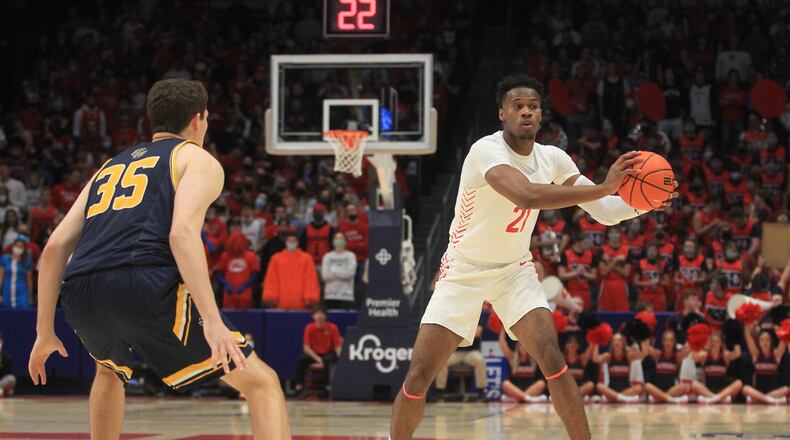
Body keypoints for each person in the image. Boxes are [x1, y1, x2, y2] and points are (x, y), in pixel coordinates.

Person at [390, 74, 670, 440]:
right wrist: (603, 185)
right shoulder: (485, 151)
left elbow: (604, 211)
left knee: (552, 356)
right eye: (518, 106)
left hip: (513, 269)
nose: (526, 112)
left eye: (533, 107)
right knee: (420, 373)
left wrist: (648, 203)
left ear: (541, 116)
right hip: (464, 268)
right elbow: (525, 196)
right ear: (502, 114)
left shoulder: (552, 158)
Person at [27, 79, 291, 439]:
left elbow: (55, 246)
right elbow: (181, 234)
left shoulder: (109, 167)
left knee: (108, 371)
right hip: (145, 283)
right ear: (198, 120)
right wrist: (212, 321)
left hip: (81, 289)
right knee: (263, 384)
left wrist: (44, 331)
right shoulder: (196, 158)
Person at [433, 314, 488, 402]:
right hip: (455, 351)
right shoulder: (456, 313)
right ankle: (440, 392)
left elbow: (477, 332)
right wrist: (468, 331)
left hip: (471, 351)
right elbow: (448, 332)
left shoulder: (478, 313)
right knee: (442, 360)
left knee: (480, 360)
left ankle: (481, 392)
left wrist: (459, 331)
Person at [262, 231, 320, 310]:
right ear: (285, 243)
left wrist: (310, 297)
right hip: (279, 304)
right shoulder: (276, 258)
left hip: (302, 304)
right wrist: (271, 296)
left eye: (294, 241)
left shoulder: (307, 258)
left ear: (298, 242)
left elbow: (311, 279)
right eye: (289, 241)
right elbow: (271, 279)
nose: (291, 243)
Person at [295, 305, 342, 397]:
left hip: (328, 354)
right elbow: (306, 348)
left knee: (330, 360)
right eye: (317, 313)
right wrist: (318, 359)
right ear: (313, 316)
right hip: (314, 354)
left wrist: (341, 358)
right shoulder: (309, 328)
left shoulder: (333, 328)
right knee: (301, 360)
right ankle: (299, 386)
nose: (319, 316)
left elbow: (337, 346)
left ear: (326, 316)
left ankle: (327, 387)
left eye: (322, 314)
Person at [741, 322, 788, 404]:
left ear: (771, 342)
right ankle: (769, 400)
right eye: (762, 340)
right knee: (745, 388)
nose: (764, 342)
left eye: (767, 340)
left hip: (773, 391)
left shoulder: (776, 355)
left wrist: (783, 329)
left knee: (787, 389)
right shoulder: (756, 355)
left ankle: (759, 399)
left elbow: (783, 339)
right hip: (758, 390)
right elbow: (748, 338)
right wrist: (747, 322)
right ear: (759, 342)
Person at [689, 333, 743, 404]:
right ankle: (717, 398)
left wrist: (736, 334)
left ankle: (714, 398)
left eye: (717, 341)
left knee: (739, 383)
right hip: (707, 390)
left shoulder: (724, 355)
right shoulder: (705, 355)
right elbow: (693, 357)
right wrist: (696, 340)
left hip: (722, 390)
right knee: (693, 384)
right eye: (712, 341)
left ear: (721, 344)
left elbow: (737, 353)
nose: (714, 343)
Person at [214, 231, 260, 310]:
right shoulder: (225, 256)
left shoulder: (251, 256)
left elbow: (255, 275)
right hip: (229, 293)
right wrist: (226, 284)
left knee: (245, 317)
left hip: (245, 293)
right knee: (229, 317)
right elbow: (218, 273)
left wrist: (245, 285)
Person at [591, 333, 642, 403]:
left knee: (639, 387)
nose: (616, 342)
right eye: (614, 340)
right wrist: (596, 342)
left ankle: (615, 398)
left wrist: (635, 346)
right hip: (612, 389)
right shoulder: (609, 356)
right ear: (612, 343)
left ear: (623, 343)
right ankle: (624, 398)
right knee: (599, 386)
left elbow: (643, 354)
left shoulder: (628, 356)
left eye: (619, 340)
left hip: (626, 389)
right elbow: (595, 359)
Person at [643, 330, 692, 403]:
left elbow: (690, 350)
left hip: (672, 390)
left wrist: (693, 337)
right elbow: (646, 347)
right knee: (647, 385)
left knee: (684, 386)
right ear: (663, 342)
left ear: (674, 342)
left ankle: (659, 398)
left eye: (671, 340)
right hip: (658, 389)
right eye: (666, 340)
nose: (668, 343)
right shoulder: (658, 355)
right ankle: (669, 399)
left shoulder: (677, 357)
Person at [500, 331, 548, 403]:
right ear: (518, 347)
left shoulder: (534, 359)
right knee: (505, 384)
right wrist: (502, 330)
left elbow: (541, 346)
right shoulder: (512, 358)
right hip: (515, 389)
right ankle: (527, 398)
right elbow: (503, 345)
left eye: (526, 346)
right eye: (521, 345)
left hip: (531, 389)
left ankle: (518, 398)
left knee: (541, 383)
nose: (523, 348)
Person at [558, 233, 596, 310]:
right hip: (570, 291)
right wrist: (576, 273)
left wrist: (584, 274)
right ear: (577, 242)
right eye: (585, 243)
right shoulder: (566, 254)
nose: (587, 245)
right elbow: (561, 275)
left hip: (585, 292)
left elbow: (594, 276)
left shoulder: (590, 255)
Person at [597, 227, 631, 311]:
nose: (614, 234)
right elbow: (604, 272)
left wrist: (610, 262)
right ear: (608, 235)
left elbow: (626, 273)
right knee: (605, 313)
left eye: (616, 232)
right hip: (606, 285)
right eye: (612, 232)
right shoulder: (602, 250)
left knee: (622, 312)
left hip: (621, 285)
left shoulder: (627, 250)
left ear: (620, 235)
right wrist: (616, 260)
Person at [321, 232, 357, 309]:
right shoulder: (327, 256)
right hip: (330, 296)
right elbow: (325, 276)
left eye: (341, 238)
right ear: (333, 241)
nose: (339, 241)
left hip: (347, 296)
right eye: (336, 238)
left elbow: (350, 274)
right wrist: (343, 270)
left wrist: (333, 270)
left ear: (345, 241)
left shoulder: (351, 255)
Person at [0, 235, 34, 309]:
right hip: (6, 293)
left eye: (21, 246)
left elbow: (29, 281)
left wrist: (30, 298)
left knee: (22, 318)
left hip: (22, 294)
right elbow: (1, 278)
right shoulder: (4, 259)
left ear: (24, 249)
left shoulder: (27, 262)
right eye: (17, 246)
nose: (18, 248)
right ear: (13, 246)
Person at [0, 333, 16, 397]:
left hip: (1, 382)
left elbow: (6, 376)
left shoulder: (7, 358)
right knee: (9, 392)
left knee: (11, 379)